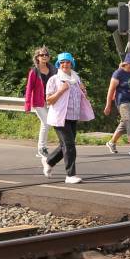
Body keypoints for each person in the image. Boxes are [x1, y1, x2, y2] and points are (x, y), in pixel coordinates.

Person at [41, 52, 93, 184]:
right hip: (59, 118)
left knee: (65, 145)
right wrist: (61, 90)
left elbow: (82, 97)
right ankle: (70, 175)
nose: (65, 64)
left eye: (67, 62)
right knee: (69, 145)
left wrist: (84, 90)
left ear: (71, 64)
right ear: (59, 64)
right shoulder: (54, 80)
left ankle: (49, 161)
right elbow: (49, 101)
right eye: (62, 62)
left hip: (73, 116)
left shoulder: (77, 78)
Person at [22, 47, 54, 157]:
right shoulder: (34, 71)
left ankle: (42, 147)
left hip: (50, 101)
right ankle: (41, 148)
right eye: (41, 55)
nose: (44, 56)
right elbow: (29, 88)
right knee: (46, 122)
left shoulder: (53, 70)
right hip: (38, 102)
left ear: (49, 57)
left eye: (46, 55)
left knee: (47, 123)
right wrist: (27, 105)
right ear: (37, 57)